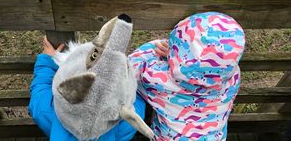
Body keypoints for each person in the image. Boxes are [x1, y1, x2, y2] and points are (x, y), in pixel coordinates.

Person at [128, 12, 245, 141]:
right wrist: (180, 58)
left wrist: (173, 55)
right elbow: (208, 67)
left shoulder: (157, 79)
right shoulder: (233, 78)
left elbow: (132, 64)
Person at [29, 36, 146, 141]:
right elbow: (136, 100)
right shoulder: (125, 123)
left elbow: (40, 89)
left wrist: (47, 59)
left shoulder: (48, 112)